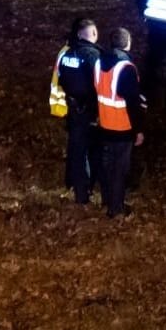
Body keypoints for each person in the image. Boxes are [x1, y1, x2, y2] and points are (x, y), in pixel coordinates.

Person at [95, 27, 147, 218]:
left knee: (107, 165)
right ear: (127, 43)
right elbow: (132, 102)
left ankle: (107, 200)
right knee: (120, 169)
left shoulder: (99, 62)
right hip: (122, 126)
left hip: (104, 123)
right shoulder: (126, 68)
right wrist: (138, 130)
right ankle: (116, 209)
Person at [56, 19, 103, 205]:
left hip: (72, 108)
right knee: (91, 150)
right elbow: (100, 84)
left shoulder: (66, 54)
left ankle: (77, 189)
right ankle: (86, 191)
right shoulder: (93, 56)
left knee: (76, 150)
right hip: (90, 110)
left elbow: (61, 80)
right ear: (93, 34)